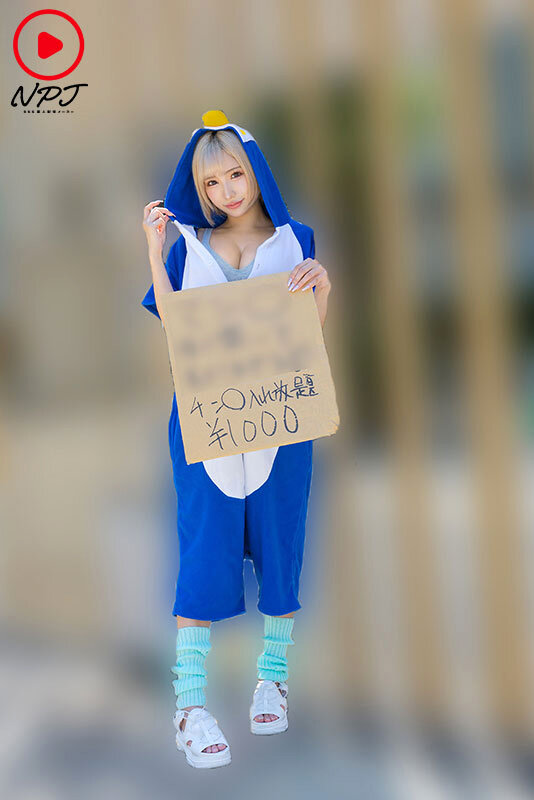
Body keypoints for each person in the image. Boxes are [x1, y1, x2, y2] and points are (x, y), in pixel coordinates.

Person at [141, 110, 331, 769]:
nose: (226, 191)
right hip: (207, 421)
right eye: (211, 182)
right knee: (202, 552)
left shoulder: (296, 240)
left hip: (281, 420)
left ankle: (272, 681)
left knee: (281, 544)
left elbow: (307, 335)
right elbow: (173, 325)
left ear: (256, 172)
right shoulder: (188, 247)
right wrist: (154, 251)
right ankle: (189, 706)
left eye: (235, 175)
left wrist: (323, 286)